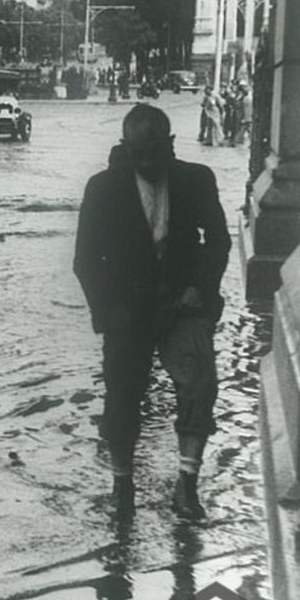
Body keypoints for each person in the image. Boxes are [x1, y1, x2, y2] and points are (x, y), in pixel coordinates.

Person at [73, 104, 231, 520]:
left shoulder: (196, 180)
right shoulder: (103, 188)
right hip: (128, 312)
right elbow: (86, 260)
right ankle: (122, 488)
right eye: (138, 155)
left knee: (199, 386)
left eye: (155, 155)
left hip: (185, 305)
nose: (147, 164)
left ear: (171, 145)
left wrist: (202, 289)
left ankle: (186, 486)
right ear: (125, 147)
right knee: (122, 400)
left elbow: (218, 240)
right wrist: (106, 313)